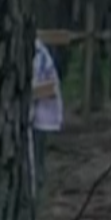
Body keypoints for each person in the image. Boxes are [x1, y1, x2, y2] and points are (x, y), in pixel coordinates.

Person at [30, 38, 63, 198]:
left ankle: (36, 194)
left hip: (40, 116)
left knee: (36, 159)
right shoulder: (37, 50)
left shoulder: (38, 53)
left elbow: (44, 86)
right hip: (36, 115)